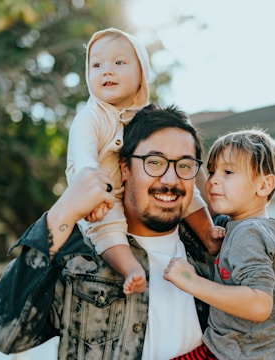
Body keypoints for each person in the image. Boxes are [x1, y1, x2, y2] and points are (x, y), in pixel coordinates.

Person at [0, 105, 275, 359]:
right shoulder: (79, 251)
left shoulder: (218, 240)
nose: (170, 179)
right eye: (154, 162)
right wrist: (62, 212)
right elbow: (5, 334)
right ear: (124, 168)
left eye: (184, 165)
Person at [65, 28, 219, 295]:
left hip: (135, 188)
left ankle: (208, 233)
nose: (106, 71)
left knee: (184, 187)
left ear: (141, 78)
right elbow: (85, 163)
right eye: (97, 64)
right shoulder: (90, 117)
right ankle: (131, 269)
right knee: (107, 228)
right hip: (99, 196)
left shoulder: (147, 119)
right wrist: (94, 198)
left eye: (119, 62)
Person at [164, 128, 275, 359]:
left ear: (264, 185)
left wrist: (190, 281)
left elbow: (259, 304)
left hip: (233, 352)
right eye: (211, 171)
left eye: (228, 172)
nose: (214, 180)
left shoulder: (248, 233)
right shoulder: (252, 229)